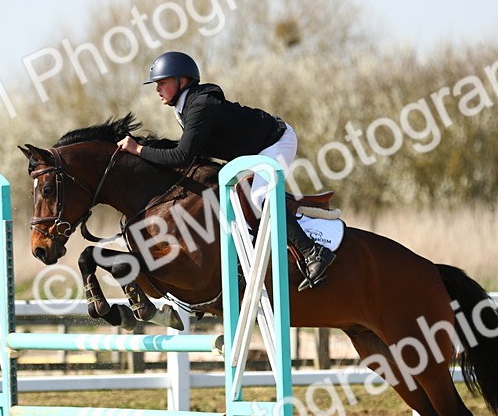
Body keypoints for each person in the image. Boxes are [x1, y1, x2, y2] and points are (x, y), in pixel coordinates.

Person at [116, 51, 335, 289]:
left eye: (162, 83)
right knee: (231, 198)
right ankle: (244, 260)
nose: (157, 89)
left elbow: (182, 155)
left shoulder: (200, 106)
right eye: (157, 84)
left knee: (260, 197)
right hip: (253, 151)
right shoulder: (185, 106)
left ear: (183, 82)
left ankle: (314, 252)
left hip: (277, 141)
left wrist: (139, 150)